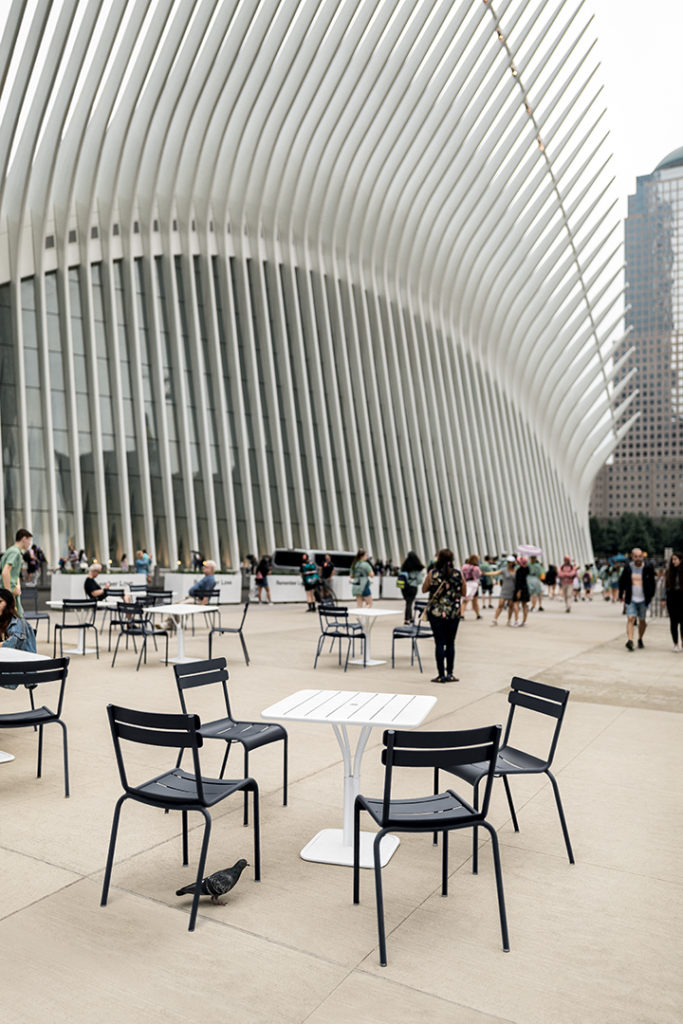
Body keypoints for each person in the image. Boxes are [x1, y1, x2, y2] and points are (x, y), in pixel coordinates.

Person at [421, 548, 465, 683]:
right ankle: (450, 673)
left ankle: (441, 675)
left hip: (436, 613)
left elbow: (424, 589)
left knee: (439, 643)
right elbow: (463, 592)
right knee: (450, 643)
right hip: (453, 613)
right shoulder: (458, 574)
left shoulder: (432, 574)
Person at [618, 547, 656, 651]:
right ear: (632, 557)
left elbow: (653, 582)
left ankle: (640, 638)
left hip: (643, 598)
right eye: (636, 556)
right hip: (631, 598)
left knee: (642, 620)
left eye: (640, 556)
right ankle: (630, 640)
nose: (638, 558)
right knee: (630, 618)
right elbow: (622, 582)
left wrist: (651, 595)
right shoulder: (628, 567)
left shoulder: (648, 567)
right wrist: (621, 595)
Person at [0, 528, 33, 617]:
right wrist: (8, 596)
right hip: (9, 593)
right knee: (15, 620)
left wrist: (18, 586)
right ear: (24, 539)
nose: (29, 544)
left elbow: (15, 573)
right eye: (29, 541)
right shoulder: (15, 552)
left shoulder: (11, 551)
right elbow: (5, 572)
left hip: (11, 591)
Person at [0, 587, 37, 654]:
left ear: (8, 604)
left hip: (23, 662)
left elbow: (11, 645)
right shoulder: (2, 621)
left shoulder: (17, 622)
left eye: (0, 602)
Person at [664, 552, 683, 652]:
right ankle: (675, 643)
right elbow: (664, 587)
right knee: (673, 623)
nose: (673, 561)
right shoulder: (669, 572)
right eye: (672, 559)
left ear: (680, 560)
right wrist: (663, 599)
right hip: (672, 599)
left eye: (675, 559)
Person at [399, 551, 425, 623]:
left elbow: (399, 573)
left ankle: (410, 618)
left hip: (404, 587)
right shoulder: (417, 567)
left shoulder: (404, 566)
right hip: (413, 586)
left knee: (408, 602)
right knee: (409, 603)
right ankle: (407, 619)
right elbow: (419, 580)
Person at [491, 555, 517, 625]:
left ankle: (509, 620)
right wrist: (486, 573)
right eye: (508, 562)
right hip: (504, 590)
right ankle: (495, 619)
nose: (510, 563)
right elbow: (495, 573)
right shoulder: (504, 569)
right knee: (501, 605)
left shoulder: (516, 570)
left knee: (511, 606)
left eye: (511, 562)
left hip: (512, 590)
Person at [461, 555, 482, 620]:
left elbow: (462, 574)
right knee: (475, 601)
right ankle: (478, 615)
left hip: (466, 583)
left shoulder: (464, 566)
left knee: (465, 600)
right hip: (474, 584)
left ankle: (462, 615)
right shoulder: (476, 568)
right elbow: (479, 574)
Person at [513, 556, 530, 627]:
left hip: (519, 589)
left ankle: (516, 620)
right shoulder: (528, 569)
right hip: (526, 589)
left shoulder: (519, 570)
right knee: (524, 605)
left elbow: (519, 581)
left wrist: (518, 591)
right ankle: (524, 621)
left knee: (516, 604)